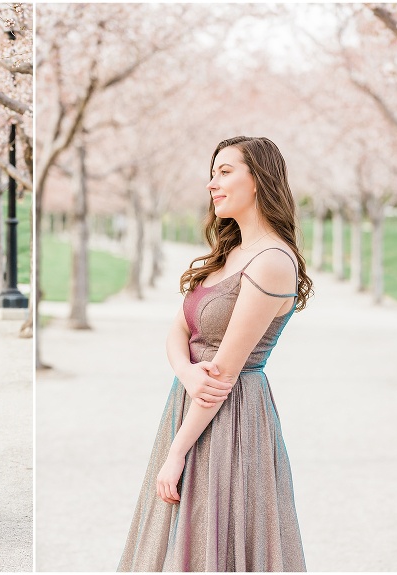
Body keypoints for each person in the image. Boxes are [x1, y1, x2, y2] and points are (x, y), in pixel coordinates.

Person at [118, 137, 311, 571]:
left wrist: (176, 452)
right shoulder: (227, 254)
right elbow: (178, 330)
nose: (212, 184)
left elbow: (224, 372)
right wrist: (186, 373)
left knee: (220, 537)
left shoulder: (273, 261)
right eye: (212, 173)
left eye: (225, 172)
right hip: (191, 403)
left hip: (232, 418)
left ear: (259, 180)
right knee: (178, 537)